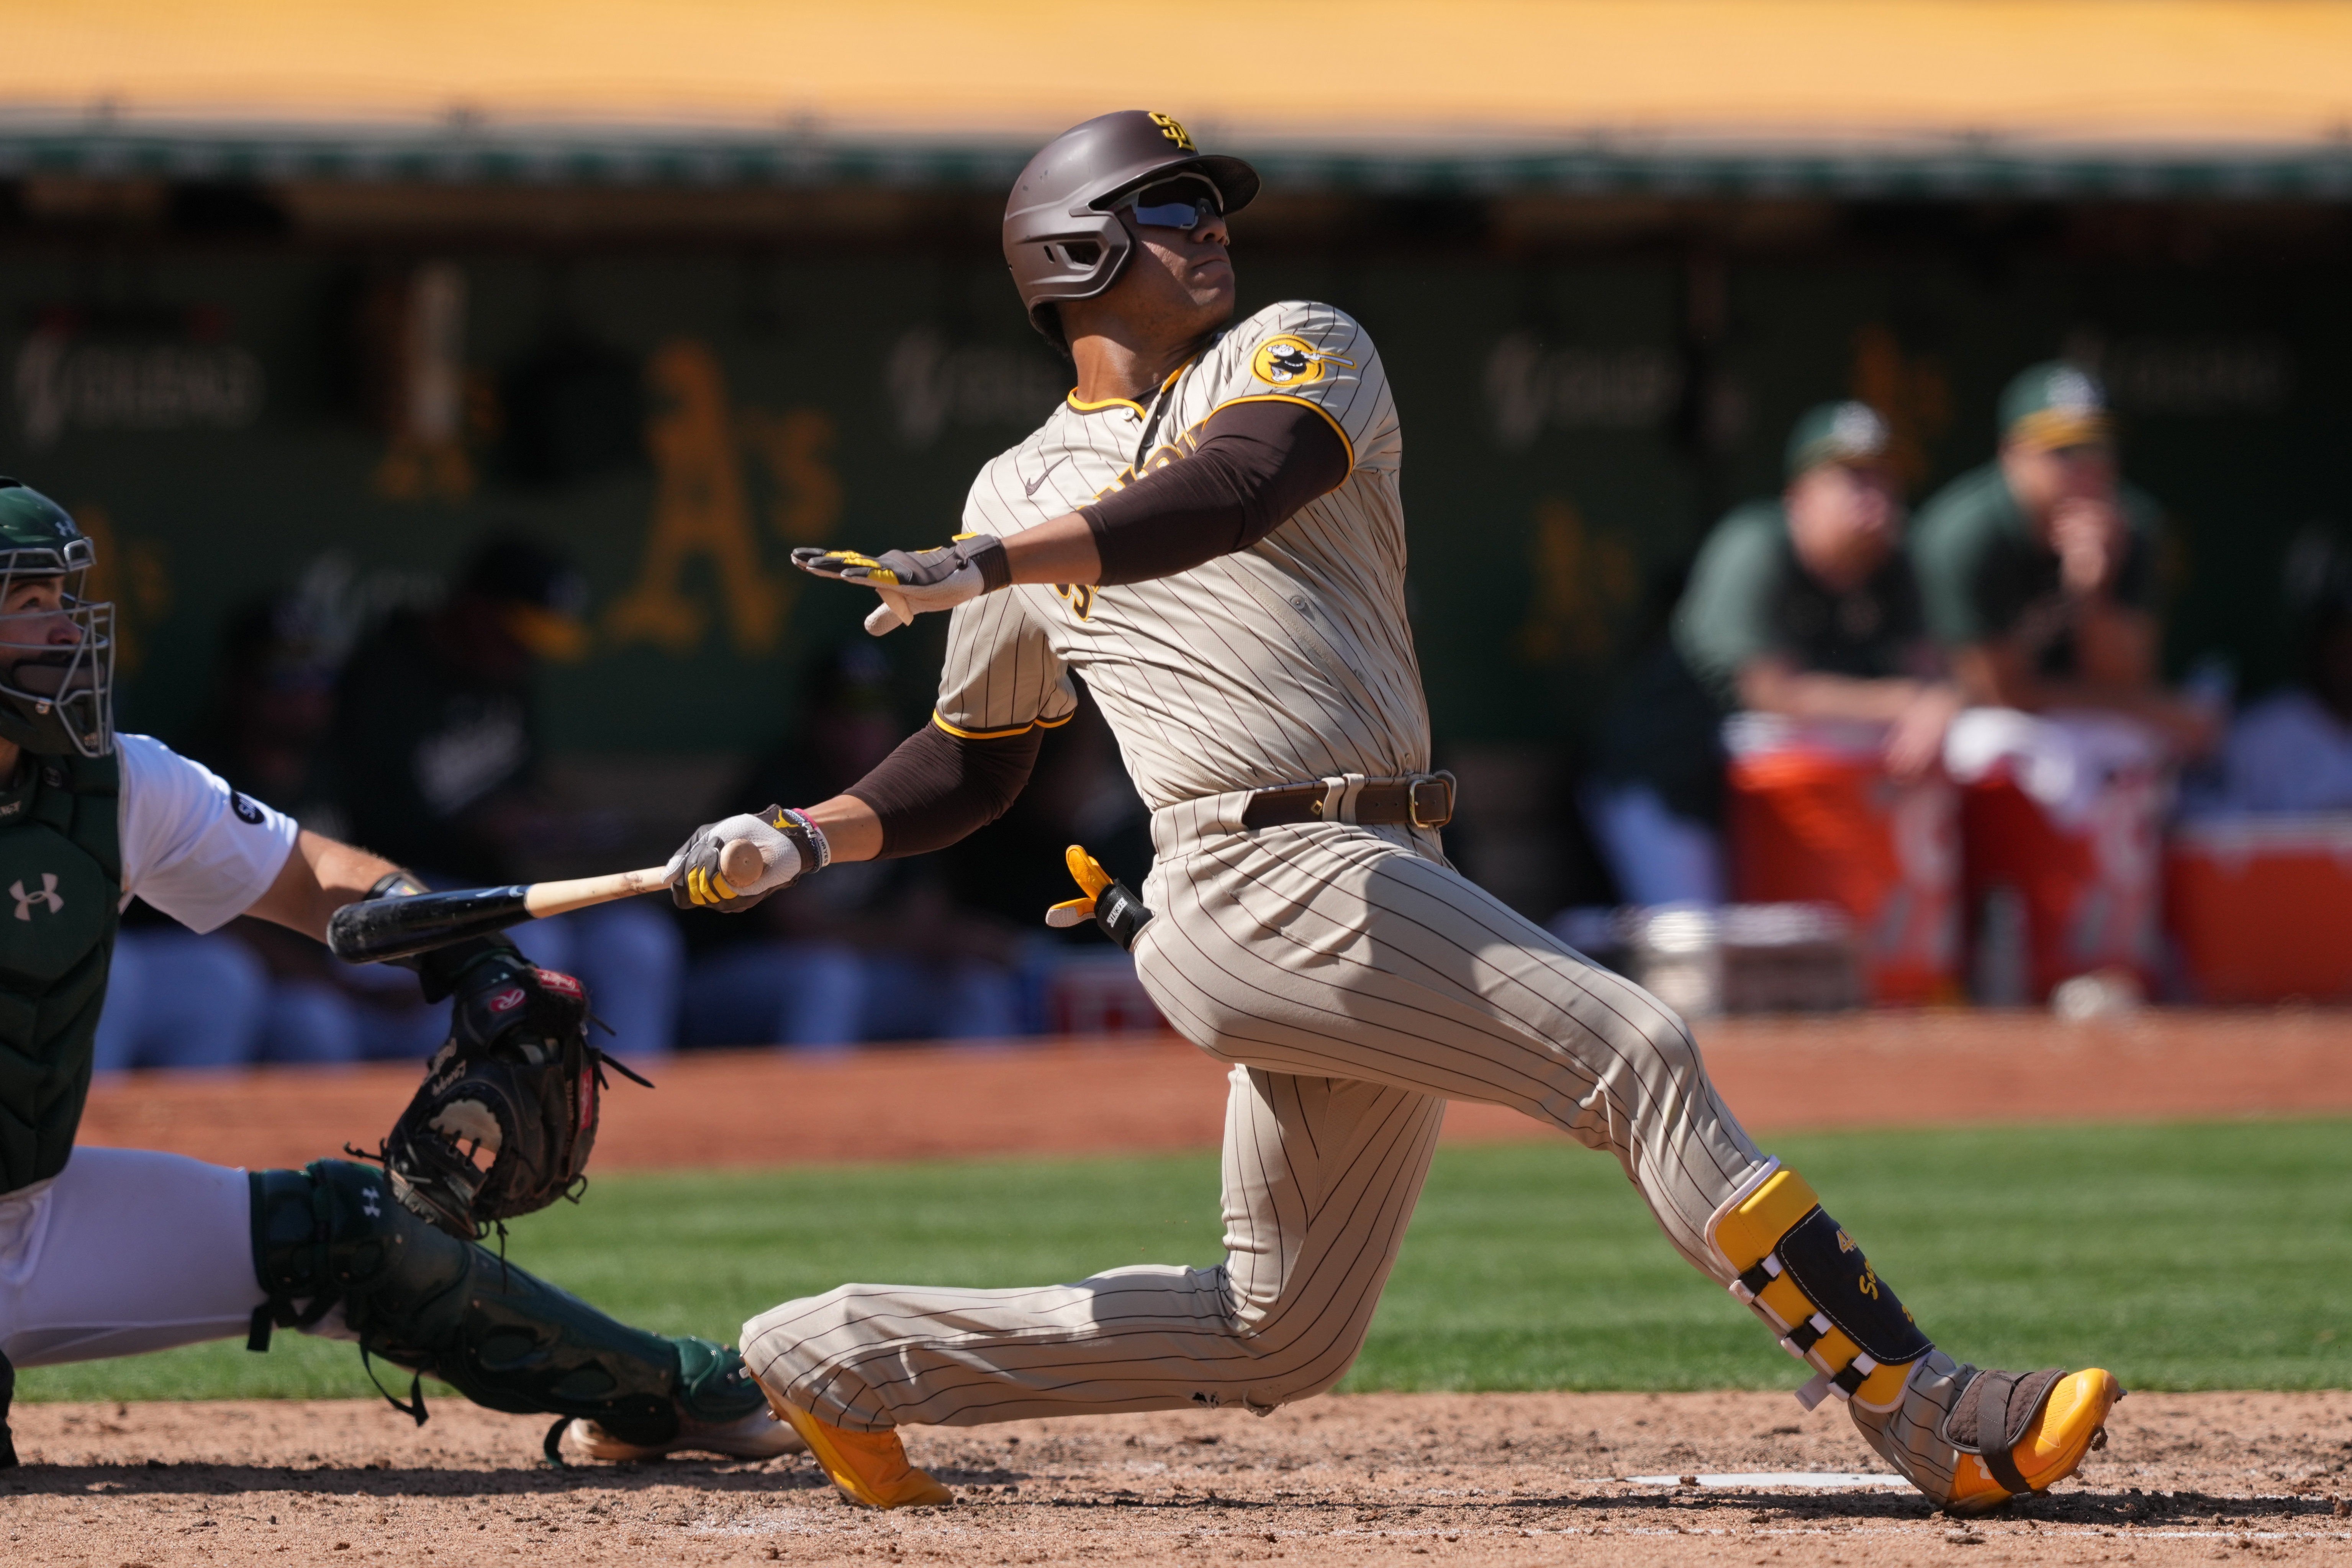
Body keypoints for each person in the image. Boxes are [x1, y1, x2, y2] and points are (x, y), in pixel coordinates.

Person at [660, 111, 2120, 1516]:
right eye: (1165, 210)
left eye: (1211, 204)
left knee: (1280, 1331)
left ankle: (834, 1355)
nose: (1208, 230)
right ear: (1071, 257)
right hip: (1250, 876)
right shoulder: (1015, 486)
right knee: (1637, 1048)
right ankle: (1922, 1408)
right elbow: (976, 761)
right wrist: (801, 835)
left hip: (1382, 860)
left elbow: (1234, 489)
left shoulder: (1295, 349)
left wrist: (990, 562)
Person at [0, 478, 796, 1468]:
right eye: (28, 609)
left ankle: (666, 1389)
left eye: (63, 604)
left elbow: (316, 875)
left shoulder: (112, 782)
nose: (64, 636)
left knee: (353, 1227)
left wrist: (475, 960)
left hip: (31, 1215)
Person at [331, 536, 681, 1057]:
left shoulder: (507, 677)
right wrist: (471, 827)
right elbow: (363, 821)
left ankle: (641, 1123)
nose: (527, 650)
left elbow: (526, 781)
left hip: (506, 880)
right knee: (534, 944)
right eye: (518, 633)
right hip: (415, 889)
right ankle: (506, 1113)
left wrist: (548, 818)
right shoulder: (386, 678)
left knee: (638, 942)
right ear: (476, 610)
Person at [680, 643, 1021, 1048]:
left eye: (878, 706)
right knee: (827, 975)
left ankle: (985, 1112)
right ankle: (815, 1112)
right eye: (850, 707)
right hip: (726, 977)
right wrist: (919, 938)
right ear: (816, 718)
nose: (865, 723)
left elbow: (925, 912)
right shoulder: (777, 791)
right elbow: (798, 928)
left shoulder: (907, 795)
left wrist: (936, 939)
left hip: (848, 974)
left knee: (972, 987)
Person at [1910, 363, 2213, 757]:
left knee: (2143, 747)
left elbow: (2128, 678)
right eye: (2062, 450)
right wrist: (2148, 707)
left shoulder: (2131, 524)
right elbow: (1997, 693)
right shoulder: (1965, 535)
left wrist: (2095, 591)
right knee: (1993, 748)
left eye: (2097, 445)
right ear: (2010, 453)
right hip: (1974, 714)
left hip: (2073, 708)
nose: (2086, 466)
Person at [1676, 401, 1956, 778]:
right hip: (1671, 786)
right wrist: (1906, 701)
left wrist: (1938, 701)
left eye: (1884, 476)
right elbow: (1773, 695)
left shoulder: (1896, 556)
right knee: (1771, 736)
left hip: (1792, 789)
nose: (1874, 495)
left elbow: (1937, 674)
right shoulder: (1754, 545)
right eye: (1854, 478)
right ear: (1799, 496)